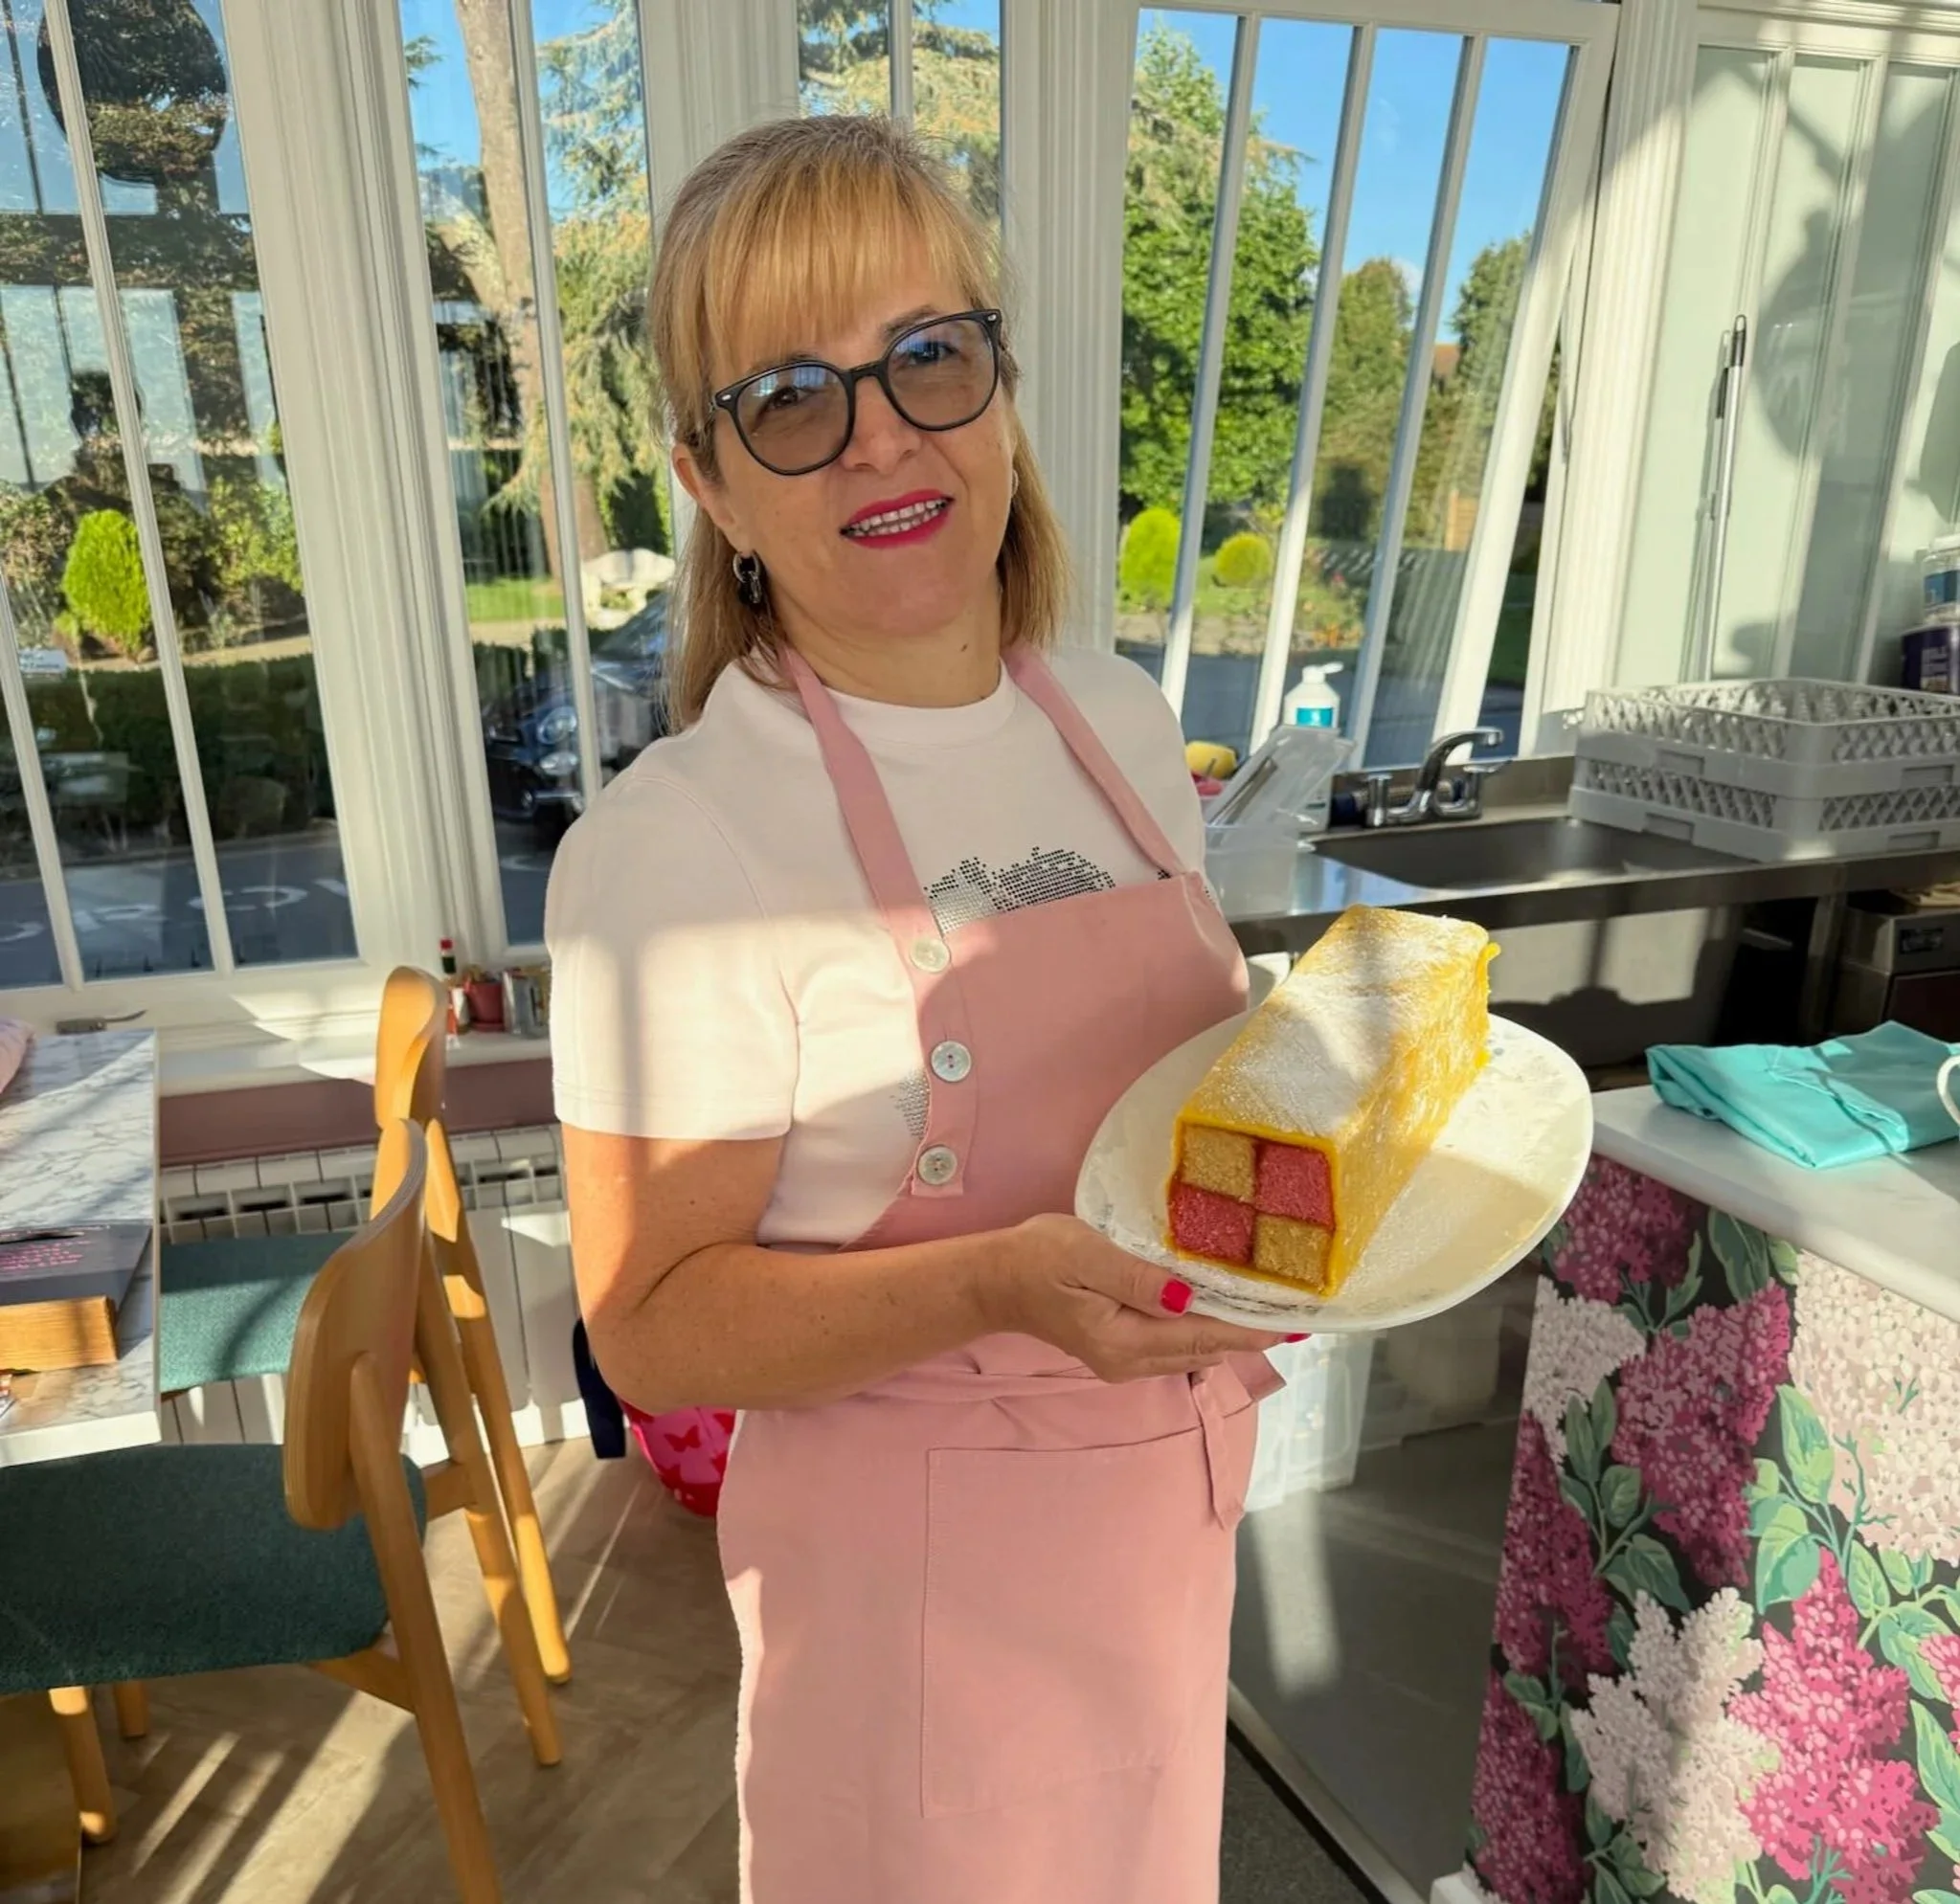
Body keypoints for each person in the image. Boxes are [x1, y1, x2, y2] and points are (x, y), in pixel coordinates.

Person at [547, 114, 1293, 1904]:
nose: (881, 434)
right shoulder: (683, 847)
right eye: (791, 396)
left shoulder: (1110, 725)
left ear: (1000, 393)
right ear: (710, 482)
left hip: (1163, 1532)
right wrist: (988, 1281)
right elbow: (649, 1327)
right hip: (910, 1616)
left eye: (928, 359)